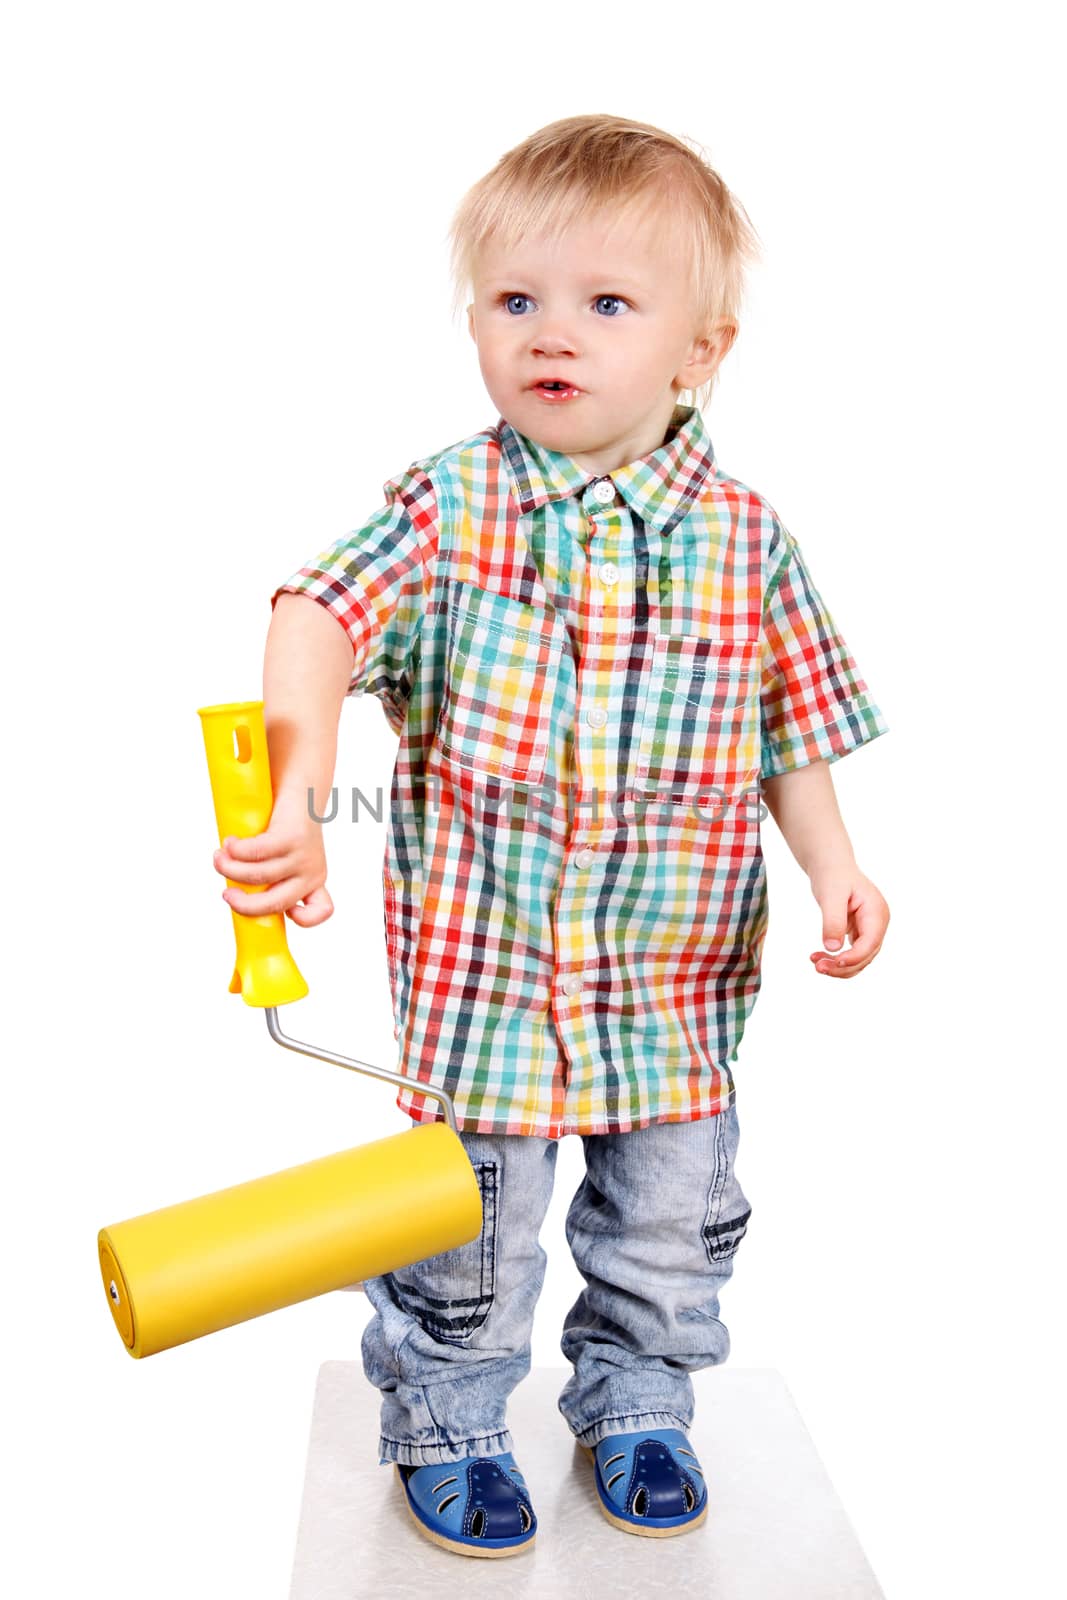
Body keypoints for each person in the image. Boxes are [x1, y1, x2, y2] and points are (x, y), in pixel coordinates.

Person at [213, 113, 891, 1558]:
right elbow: (312, 615)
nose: (550, 334)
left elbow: (792, 731)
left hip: (675, 983)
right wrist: (298, 787)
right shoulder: (452, 511)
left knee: (669, 1228)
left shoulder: (749, 539)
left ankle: (638, 1397)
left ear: (700, 350)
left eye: (605, 303)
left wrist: (835, 866)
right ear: (475, 321)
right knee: (469, 1236)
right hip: (492, 987)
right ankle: (450, 1417)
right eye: (516, 300)